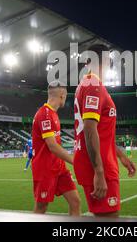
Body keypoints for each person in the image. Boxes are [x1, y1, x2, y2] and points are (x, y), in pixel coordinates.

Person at [73, 44, 137, 218]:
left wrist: (120, 154)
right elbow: (89, 128)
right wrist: (99, 172)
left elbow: (99, 132)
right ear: (106, 61)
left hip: (99, 161)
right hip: (98, 166)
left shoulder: (87, 84)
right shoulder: (93, 85)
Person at [31, 81, 81, 216]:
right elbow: (52, 146)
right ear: (62, 94)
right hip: (45, 168)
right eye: (65, 95)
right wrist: (75, 162)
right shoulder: (44, 114)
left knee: (75, 201)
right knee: (41, 207)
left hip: (59, 167)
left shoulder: (53, 114)